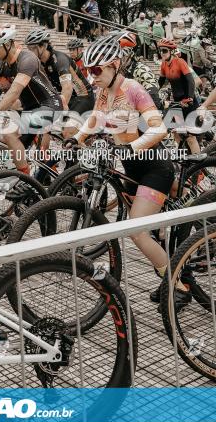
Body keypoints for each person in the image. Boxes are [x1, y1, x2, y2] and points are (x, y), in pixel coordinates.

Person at [75, 34, 189, 307]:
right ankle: (171, 269)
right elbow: (95, 119)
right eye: (88, 71)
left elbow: (159, 128)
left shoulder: (134, 89)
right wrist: (76, 138)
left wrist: (132, 147)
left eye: (96, 70)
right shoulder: (103, 91)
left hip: (154, 168)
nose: (92, 77)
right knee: (151, 232)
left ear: (114, 64)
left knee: (136, 231)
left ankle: (179, 287)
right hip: (130, 171)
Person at [0, 25, 62, 178]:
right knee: (7, 142)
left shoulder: (27, 59)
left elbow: (13, 93)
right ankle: (49, 179)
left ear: (8, 44)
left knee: (9, 131)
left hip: (49, 105)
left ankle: (25, 181)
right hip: (29, 108)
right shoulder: (0, 64)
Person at [158, 38, 200, 154]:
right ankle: (184, 155)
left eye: (165, 51)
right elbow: (160, 82)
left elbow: (191, 81)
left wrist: (190, 98)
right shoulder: (164, 64)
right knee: (176, 131)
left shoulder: (180, 62)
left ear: (171, 51)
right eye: (160, 51)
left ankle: (198, 169)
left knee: (191, 137)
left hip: (188, 101)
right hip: (177, 102)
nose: (162, 53)